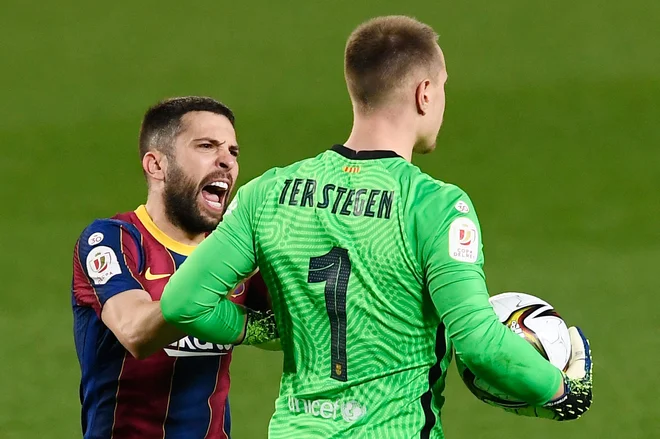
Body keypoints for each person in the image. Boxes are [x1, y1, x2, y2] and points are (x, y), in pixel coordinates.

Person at [159, 16, 593, 438]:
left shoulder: (267, 192)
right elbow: (480, 345)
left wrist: (265, 329)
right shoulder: (435, 206)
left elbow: (182, 303)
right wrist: (562, 392)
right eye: (443, 87)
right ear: (425, 94)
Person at [71, 96, 277, 439]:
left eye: (233, 151)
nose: (226, 160)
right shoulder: (111, 240)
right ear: (156, 165)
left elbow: (295, 324)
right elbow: (136, 331)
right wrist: (236, 321)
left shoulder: (239, 250)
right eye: (207, 146)